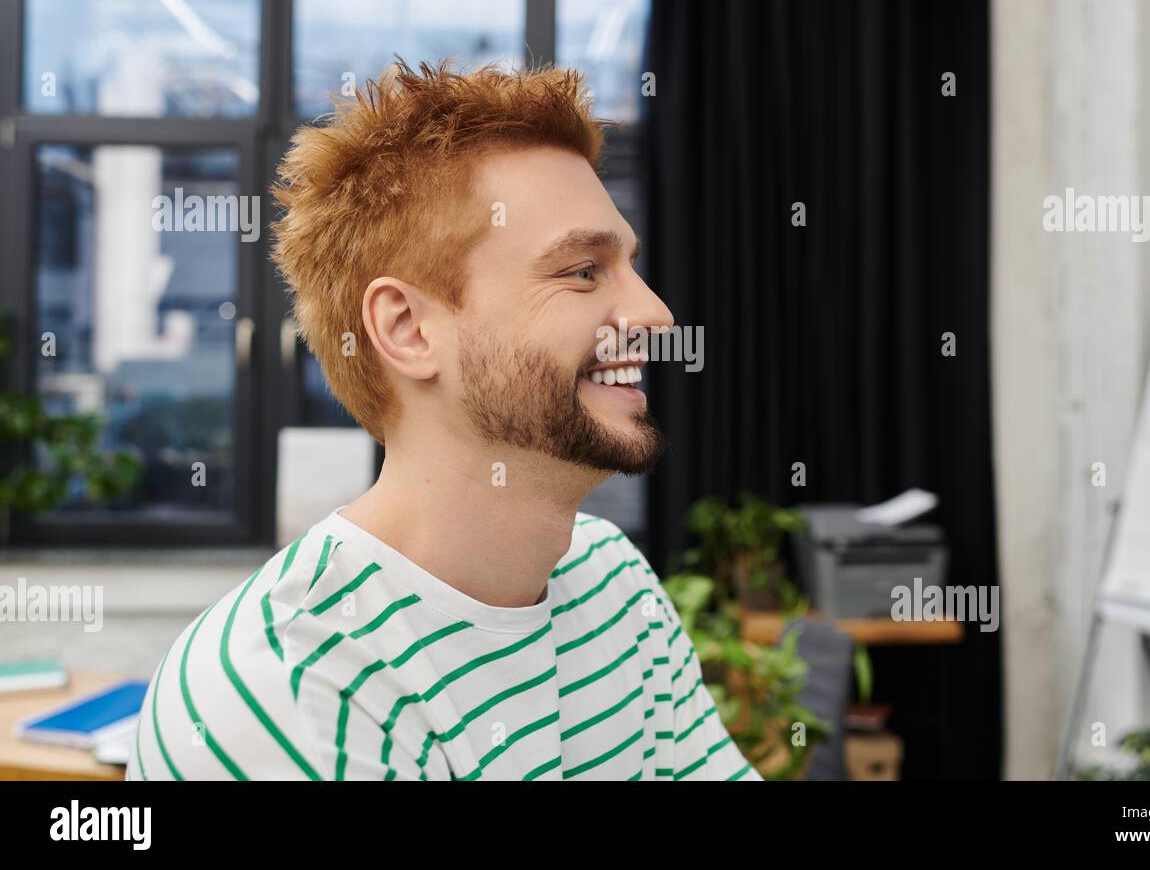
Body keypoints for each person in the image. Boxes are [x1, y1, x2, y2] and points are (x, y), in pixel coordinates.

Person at [127, 59, 761, 781]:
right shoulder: (288, 693)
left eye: (629, 266)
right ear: (408, 329)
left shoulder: (615, 584)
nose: (655, 313)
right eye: (583, 271)